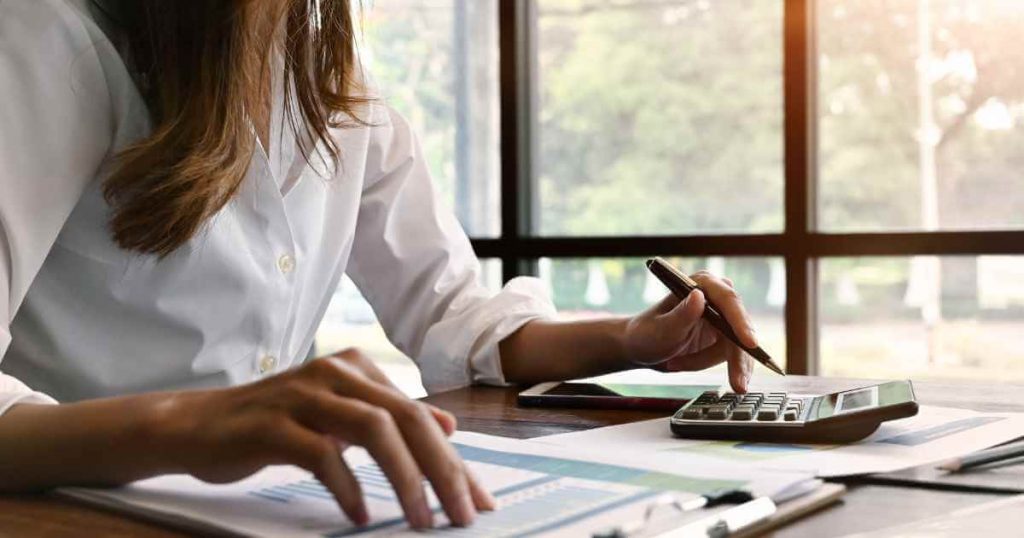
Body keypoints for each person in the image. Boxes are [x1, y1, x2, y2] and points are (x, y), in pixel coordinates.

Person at [0, 0, 758, 530]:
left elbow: (454, 315)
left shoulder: (331, 87)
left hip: (276, 511)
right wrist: (193, 424)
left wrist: (630, 338)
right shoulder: (42, 40)